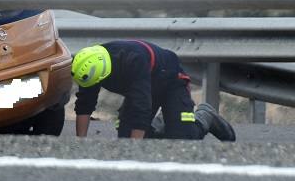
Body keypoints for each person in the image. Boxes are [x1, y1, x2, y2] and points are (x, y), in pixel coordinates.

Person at [72, 40, 236, 141]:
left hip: (171, 80)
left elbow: (141, 107)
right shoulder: (90, 64)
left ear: (105, 73)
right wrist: (80, 144)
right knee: (127, 139)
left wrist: (134, 154)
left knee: (181, 139)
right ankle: (161, 124)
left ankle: (205, 115)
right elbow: (84, 105)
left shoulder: (132, 61)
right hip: (144, 85)